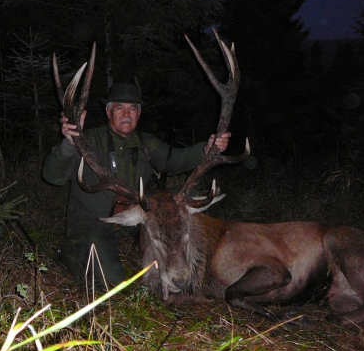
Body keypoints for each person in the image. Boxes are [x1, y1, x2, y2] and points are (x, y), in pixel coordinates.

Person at [43, 83, 230, 287]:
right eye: (119, 108)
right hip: (93, 222)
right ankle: (70, 251)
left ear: (139, 114)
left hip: (133, 216)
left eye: (132, 109)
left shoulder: (145, 142)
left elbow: (175, 160)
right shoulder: (87, 140)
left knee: (182, 199)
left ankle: (180, 263)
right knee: (112, 285)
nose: (126, 114)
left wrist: (206, 149)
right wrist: (68, 144)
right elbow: (53, 177)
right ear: (108, 111)